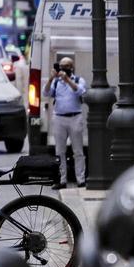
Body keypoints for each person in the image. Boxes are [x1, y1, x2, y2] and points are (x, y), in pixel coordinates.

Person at [47, 57, 88, 188]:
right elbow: (45, 92)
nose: (63, 68)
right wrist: (50, 79)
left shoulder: (77, 80)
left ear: (71, 67)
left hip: (75, 117)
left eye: (66, 66)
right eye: (61, 66)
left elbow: (81, 91)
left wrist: (67, 80)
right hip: (59, 118)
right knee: (60, 151)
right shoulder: (55, 82)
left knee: (78, 151)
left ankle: (80, 179)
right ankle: (61, 180)